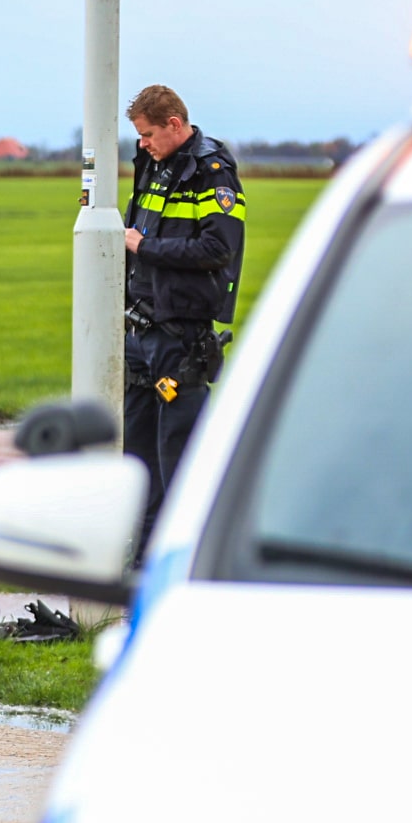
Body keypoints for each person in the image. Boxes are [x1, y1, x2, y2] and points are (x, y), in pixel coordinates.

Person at [119, 84, 244, 547]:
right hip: (140, 329)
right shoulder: (155, 166)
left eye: (149, 134)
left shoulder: (212, 173)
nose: (142, 144)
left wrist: (143, 246)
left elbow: (217, 248)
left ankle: (184, 560)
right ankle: (141, 566)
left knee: (179, 458)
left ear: (175, 124)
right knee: (138, 462)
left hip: (179, 335)